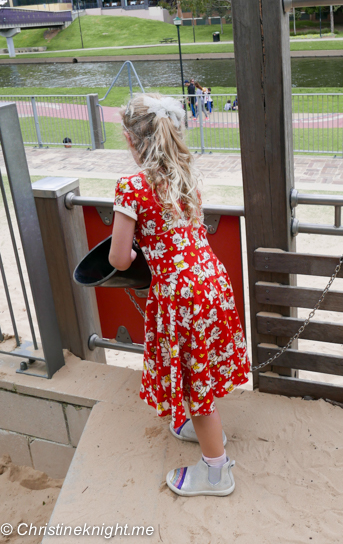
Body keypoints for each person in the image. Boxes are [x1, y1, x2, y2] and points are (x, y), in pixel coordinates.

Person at [109, 93, 250, 497]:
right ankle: (200, 433)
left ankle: (216, 472)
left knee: (194, 386)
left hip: (180, 296)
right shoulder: (185, 175)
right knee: (200, 371)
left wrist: (136, 253)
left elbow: (119, 258)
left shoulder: (131, 186)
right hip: (211, 284)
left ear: (131, 140)